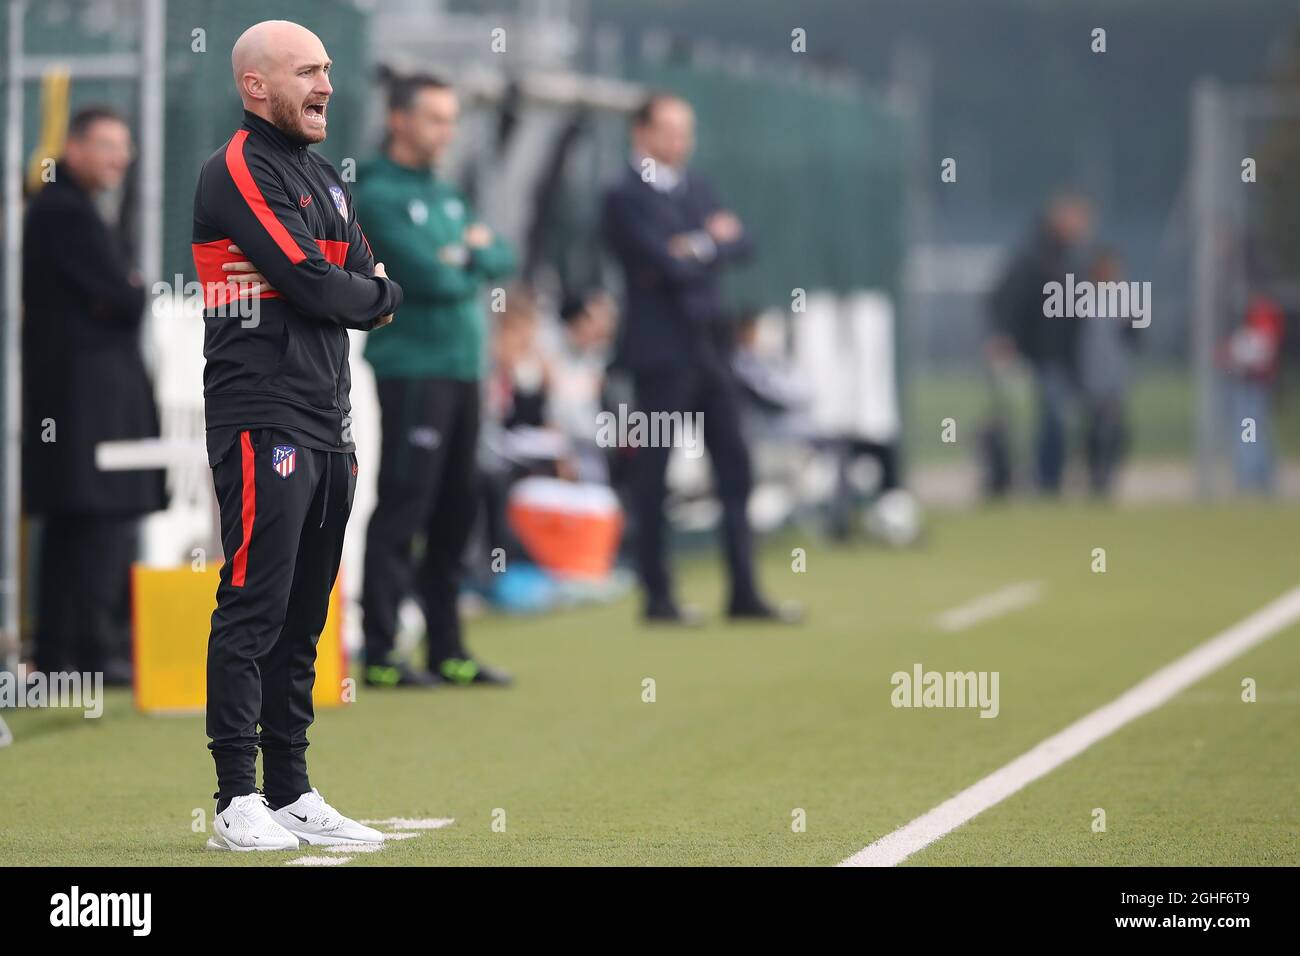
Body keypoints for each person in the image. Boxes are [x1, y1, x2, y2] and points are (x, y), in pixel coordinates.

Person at [193, 20, 403, 850]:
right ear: (255, 86)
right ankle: (235, 798)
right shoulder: (236, 168)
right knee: (255, 602)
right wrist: (366, 291)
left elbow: (361, 282)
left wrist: (363, 290)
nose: (325, 85)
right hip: (260, 414)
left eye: (328, 69)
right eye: (308, 71)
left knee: (306, 613)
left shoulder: (325, 179)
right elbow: (322, 284)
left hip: (329, 418)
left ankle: (290, 789)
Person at [602, 93, 796, 626]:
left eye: (686, 130)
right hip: (661, 355)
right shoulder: (624, 195)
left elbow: (741, 244)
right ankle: (658, 598)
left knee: (735, 465)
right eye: (669, 129)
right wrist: (706, 245)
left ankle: (743, 591)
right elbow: (662, 264)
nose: (680, 142)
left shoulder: (697, 187)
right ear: (640, 132)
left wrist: (695, 247)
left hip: (711, 350)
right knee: (655, 475)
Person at [355, 73, 515, 688]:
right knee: (404, 506)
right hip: (413, 371)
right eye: (435, 119)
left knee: (456, 509)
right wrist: (464, 257)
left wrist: (466, 256)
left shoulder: (444, 194)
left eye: (452, 120)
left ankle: (447, 648)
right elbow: (429, 276)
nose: (446, 132)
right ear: (400, 120)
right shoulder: (378, 192)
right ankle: (381, 653)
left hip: (463, 369)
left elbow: (502, 254)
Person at [22, 106, 166, 683]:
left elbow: (122, 297)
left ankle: (64, 656)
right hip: (87, 402)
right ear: (73, 147)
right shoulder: (65, 212)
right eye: (107, 144)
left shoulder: (68, 209)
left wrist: (125, 291)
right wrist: (127, 290)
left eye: (124, 146)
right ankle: (91, 654)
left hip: (79, 396)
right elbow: (126, 298)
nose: (119, 158)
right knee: (96, 521)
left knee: (73, 523)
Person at [987, 193, 1093, 494]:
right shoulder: (1034, 256)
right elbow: (1006, 298)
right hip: (1037, 355)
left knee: (1056, 421)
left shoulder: (1072, 260)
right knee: (1044, 420)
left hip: (1064, 357)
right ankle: (1041, 483)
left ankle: (1049, 481)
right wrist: (1004, 336)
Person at [1078, 247, 1138, 497]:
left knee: (1114, 429)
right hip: (1090, 373)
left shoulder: (1125, 299)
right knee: (1094, 428)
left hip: (1115, 374)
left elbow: (1135, 338)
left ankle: (1107, 475)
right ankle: (1095, 476)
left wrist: (1129, 321)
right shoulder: (1082, 298)